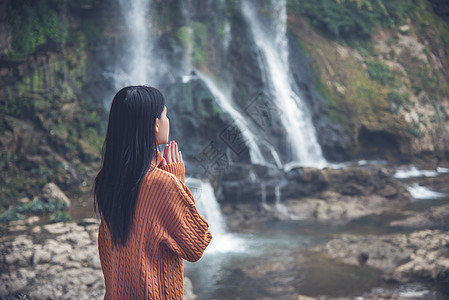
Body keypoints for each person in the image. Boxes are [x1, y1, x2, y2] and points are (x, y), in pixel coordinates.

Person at [93, 86, 212, 299]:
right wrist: (176, 180)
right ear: (156, 125)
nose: (168, 120)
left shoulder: (108, 180)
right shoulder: (162, 184)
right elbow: (197, 244)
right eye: (165, 114)